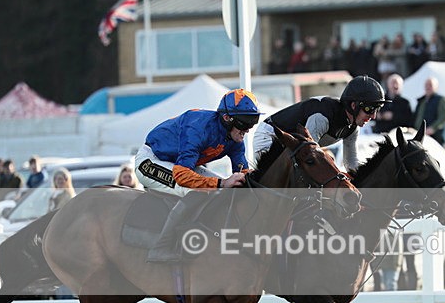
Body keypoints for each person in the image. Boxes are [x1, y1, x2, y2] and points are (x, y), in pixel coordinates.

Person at [135, 89, 262, 262]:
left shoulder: (235, 138)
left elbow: (242, 173)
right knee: (197, 191)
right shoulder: (198, 126)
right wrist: (221, 183)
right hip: (151, 161)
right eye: (245, 123)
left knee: (228, 189)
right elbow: (181, 175)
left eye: (252, 123)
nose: (247, 130)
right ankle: (160, 247)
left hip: (180, 164)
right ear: (227, 118)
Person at [254, 75, 386, 171]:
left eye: (377, 110)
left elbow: (351, 164)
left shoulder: (352, 128)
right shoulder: (322, 117)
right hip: (270, 136)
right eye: (370, 109)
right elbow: (307, 155)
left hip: (292, 146)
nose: (373, 116)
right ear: (353, 105)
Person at [413, 77, 445, 146]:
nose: (428, 87)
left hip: (436, 138)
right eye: (426, 85)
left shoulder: (441, 100)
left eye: (430, 85)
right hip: (421, 137)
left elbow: (443, 118)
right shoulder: (421, 101)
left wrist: (433, 128)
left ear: (436, 87)